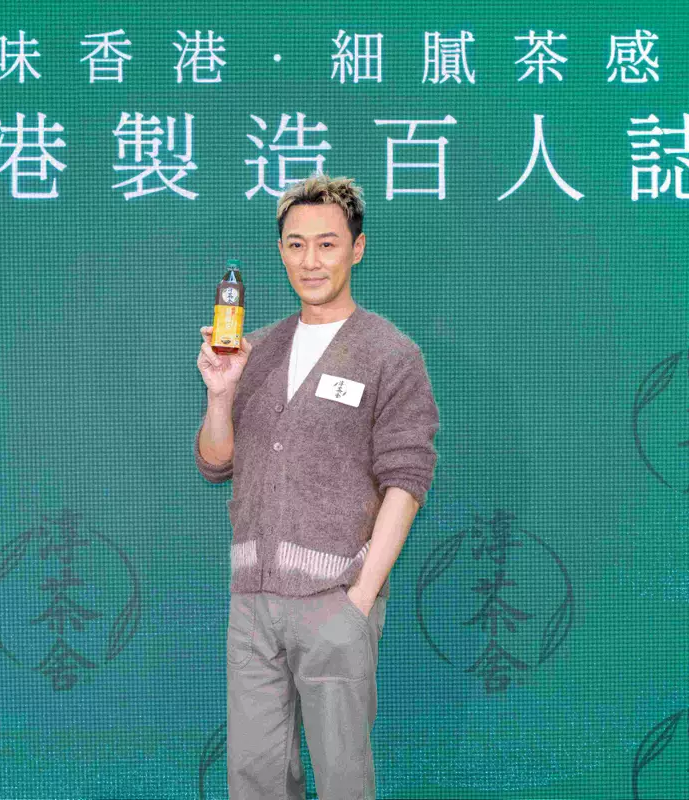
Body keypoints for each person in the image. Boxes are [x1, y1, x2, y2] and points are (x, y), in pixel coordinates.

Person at [194, 174, 439, 800]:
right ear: (281, 251)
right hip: (253, 604)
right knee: (254, 778)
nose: (310, 260)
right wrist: (221, 395)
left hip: (336, 600)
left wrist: (360, 598)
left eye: (327, 244)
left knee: (343, 780)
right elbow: (215, 464)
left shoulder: (390, 354)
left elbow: (407, 480)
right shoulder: (258, 349)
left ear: (357, 248)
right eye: (296, 244)